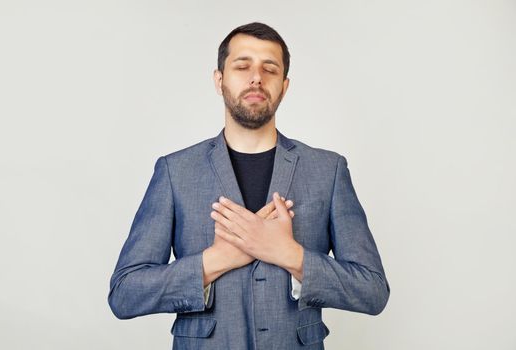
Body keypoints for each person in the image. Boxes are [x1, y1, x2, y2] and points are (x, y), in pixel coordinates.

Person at [108, 22, 390, 349]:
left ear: (284, 86)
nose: (256, 77)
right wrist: (216, 260)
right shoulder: (175, 171)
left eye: (269, 69)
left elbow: (372, 291)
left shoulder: (328, 170)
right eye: (242, 66)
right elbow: (125, 294)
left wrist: (290, 255)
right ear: (219, 80)